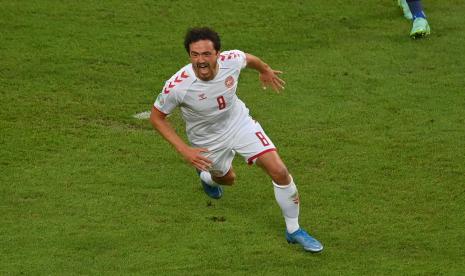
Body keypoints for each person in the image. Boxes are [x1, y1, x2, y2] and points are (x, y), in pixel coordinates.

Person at [150, 27, 323, 253]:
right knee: (227, 179)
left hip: (239, 123)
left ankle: (294, 230)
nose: (200, 61)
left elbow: (249, 59)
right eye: (195, 55)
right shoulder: (178, 86)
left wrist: (265, 70)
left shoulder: (231, 60)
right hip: (207, 140)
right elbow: (157, 117)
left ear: (218, 54)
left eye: (206, 54)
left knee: (280, 171)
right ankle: (206, 177)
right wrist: (185, 151)